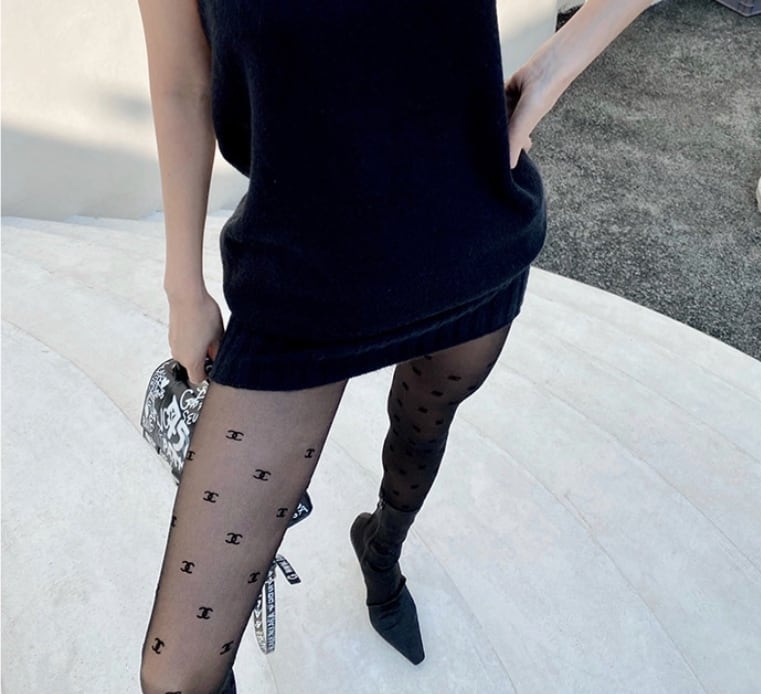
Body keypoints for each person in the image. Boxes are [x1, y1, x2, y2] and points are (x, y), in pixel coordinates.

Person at [136, 1, 653, 691]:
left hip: (468, 242)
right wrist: (183, 288)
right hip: (297, 276)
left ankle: (381, 547)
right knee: (178, 675)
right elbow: (183, 85)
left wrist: (553, 67)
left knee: (421, 427)